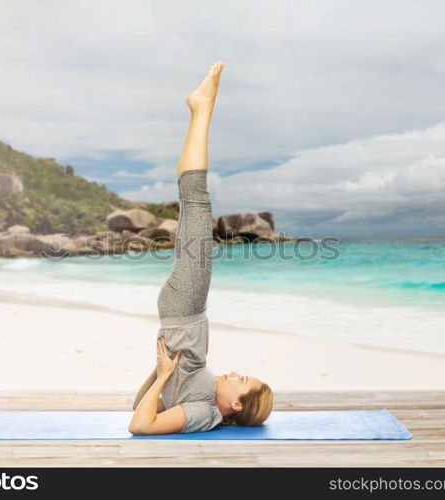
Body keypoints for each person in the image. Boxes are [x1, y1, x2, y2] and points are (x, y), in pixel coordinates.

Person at [128, 61, 273, 435]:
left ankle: (202, 108)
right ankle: (200, 108)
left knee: (196, 202)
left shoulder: (205, 412)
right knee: (193, 203)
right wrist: (160, 374)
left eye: (243, 381)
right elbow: (141, 408)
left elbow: (140, 425)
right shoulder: (203, 400)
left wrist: (163, 377)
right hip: (183, 312)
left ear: (236, 405)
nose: (238, 373)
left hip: (186, 310)